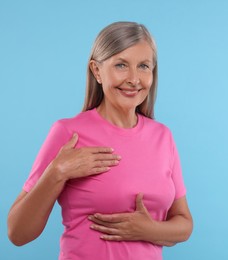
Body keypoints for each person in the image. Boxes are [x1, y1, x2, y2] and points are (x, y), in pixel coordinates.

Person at [7, 21, 193, 260]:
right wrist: (56, 172)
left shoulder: (162, 137)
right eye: (121, 65)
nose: (134, 79)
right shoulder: (69, 133)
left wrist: (148, 230)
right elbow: (18, 233)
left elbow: (184, 223)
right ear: (97, 71)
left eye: (144, 66)